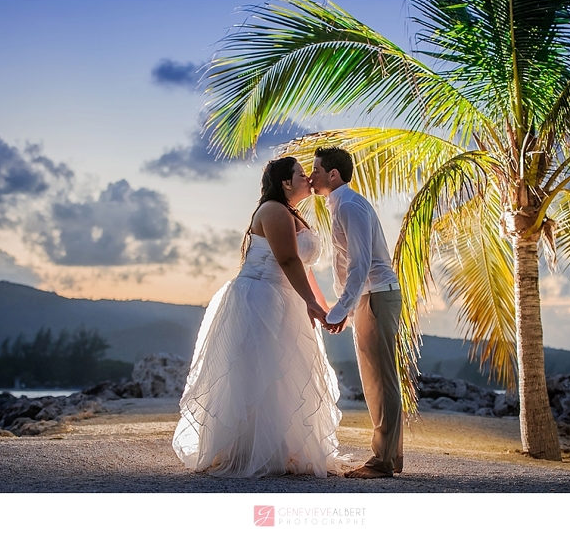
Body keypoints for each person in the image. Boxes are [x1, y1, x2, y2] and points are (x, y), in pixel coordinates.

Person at [172, 156, 342, 478]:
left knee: (283, 372)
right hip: (259, 297)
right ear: (285, 183)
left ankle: (280, 446)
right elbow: (289, 259)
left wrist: (322, 306)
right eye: (300, 174)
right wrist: (310, 303)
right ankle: (248, 450)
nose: (307, 178)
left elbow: (303, 269)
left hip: (284, 298)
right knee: (258, 371)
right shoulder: (274, 210)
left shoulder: (292, 213)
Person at [310, 146, 404, 479]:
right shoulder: (343, 204)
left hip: (376, 295)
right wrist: (348, 307)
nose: (311, 176)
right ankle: (392, 457)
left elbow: (360, 264)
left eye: (316, 170)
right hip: (371, 295)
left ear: (333, 175)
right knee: (379, 377)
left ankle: (382, 462)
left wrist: (340, 309)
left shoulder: (348, 205)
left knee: (380, 379)